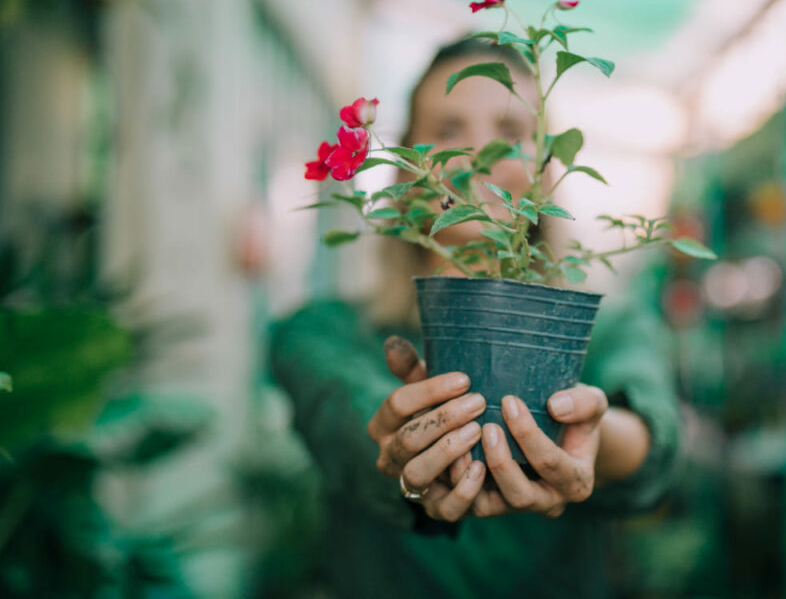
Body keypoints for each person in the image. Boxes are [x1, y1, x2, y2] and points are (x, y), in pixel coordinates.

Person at [270, 38, 681, 598]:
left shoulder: (605, 327)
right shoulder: (324, 332)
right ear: (405, 171)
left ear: (542, 168)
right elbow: (350, 420)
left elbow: (653, 439)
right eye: (447, 131)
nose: (479, 154)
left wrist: (588, 433)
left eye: (511, 132)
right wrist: (405, 450)